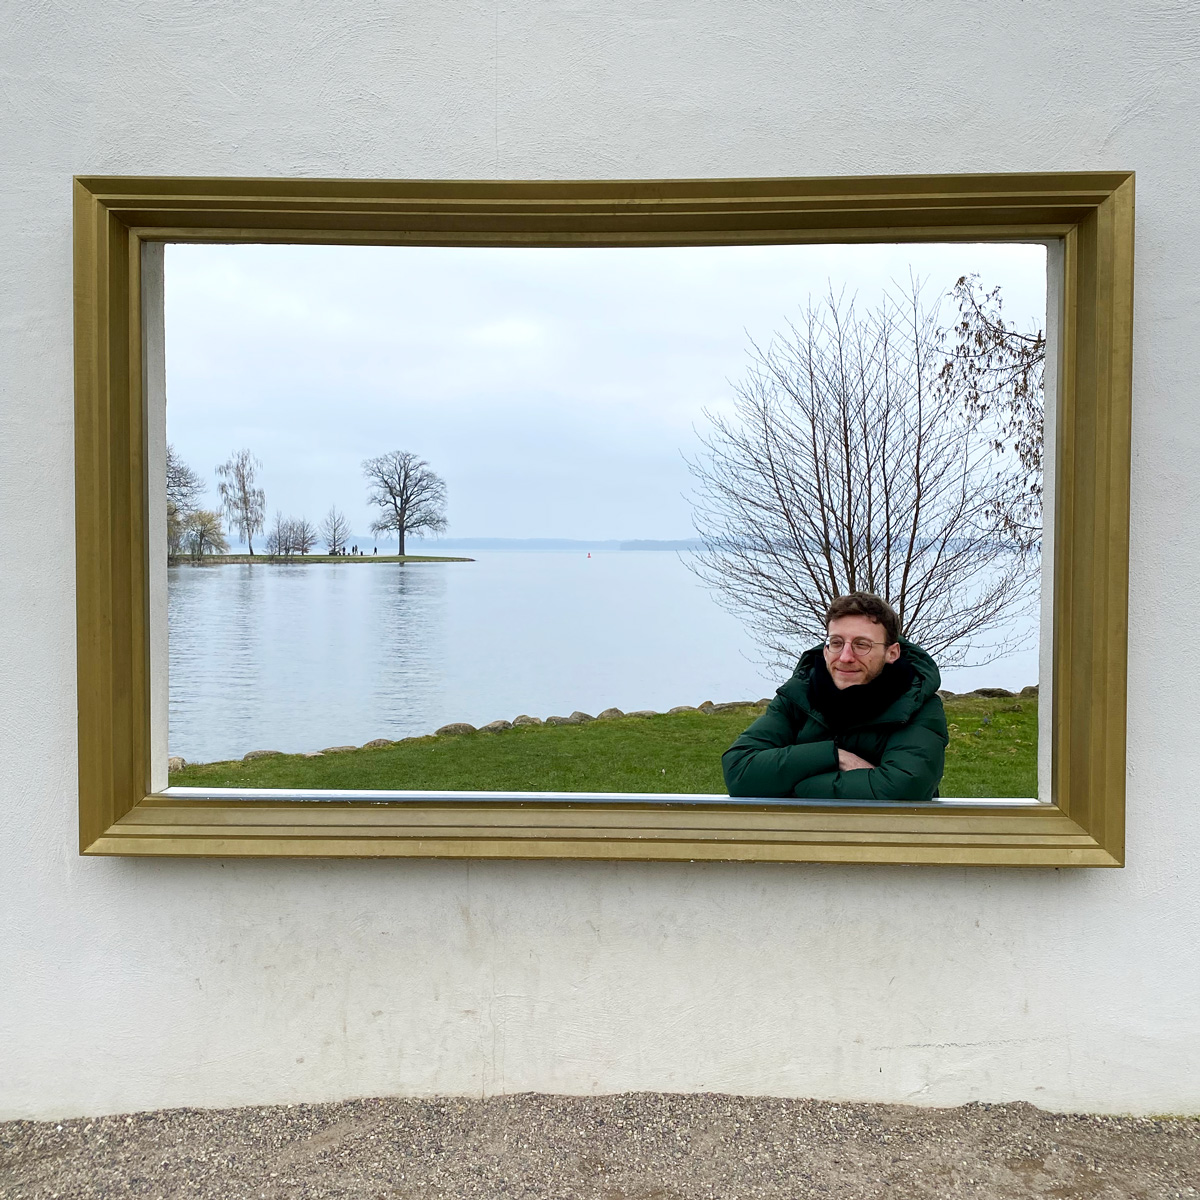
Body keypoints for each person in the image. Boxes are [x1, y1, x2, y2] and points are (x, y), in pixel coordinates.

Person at [722, 592, 947, 801]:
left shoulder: (916, 703)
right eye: (836, 643)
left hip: (884, 840)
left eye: (862, 645)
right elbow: (740, 772)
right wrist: (835, 756)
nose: (846, 656)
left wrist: (792, 786)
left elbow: (903, 788)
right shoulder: (798, 696)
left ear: (892, 653)